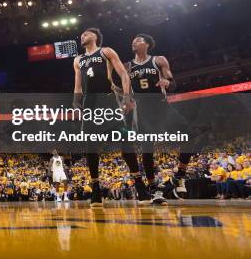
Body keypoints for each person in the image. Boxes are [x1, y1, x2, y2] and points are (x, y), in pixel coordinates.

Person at [72, 28, 149, 207]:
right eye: (82, 35)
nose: (83, 36)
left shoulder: (105, 51)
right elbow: (77, 85)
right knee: (91, 147)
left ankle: (140, 186)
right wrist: (76, 103)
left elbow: (123, 73)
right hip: (89, 104)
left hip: (107, 100)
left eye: (86, 34)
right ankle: (96, 190)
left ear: (96, 37)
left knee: (125, 140)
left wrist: (128, 97)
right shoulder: (78, 60)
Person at [128, 34, 192, 202]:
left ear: (147, 44)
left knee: (189, 134)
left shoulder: (158, 60)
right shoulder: (128, 66)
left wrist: (167, 83)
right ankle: (153, 188)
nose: (134, 41)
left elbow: (173, 82)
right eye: (133, 40)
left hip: (162, 105)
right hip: (142, 109)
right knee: (147, 149)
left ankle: (179, 175)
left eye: (139, 40)